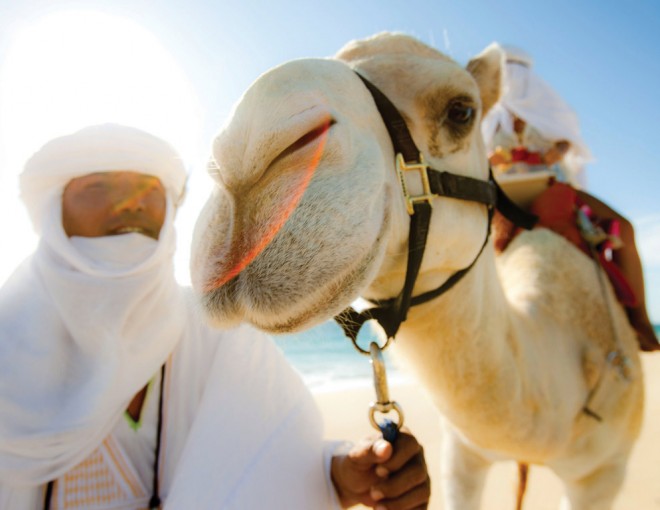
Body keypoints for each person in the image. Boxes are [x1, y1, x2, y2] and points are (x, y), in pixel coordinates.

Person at [0, 124, 431, 509]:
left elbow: (275, 456)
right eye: (98, 185)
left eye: (147, 189)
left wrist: (343, 474)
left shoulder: (218, 334)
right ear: (53, 213)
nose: (130, 204)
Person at [482, 46, 658, 352]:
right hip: (504, 199)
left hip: (553, 188)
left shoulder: (551, 112)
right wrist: (493, 160)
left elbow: (570, 145)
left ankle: (639, 320)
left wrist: (557, 151)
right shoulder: (489, 121)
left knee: (625, 228)